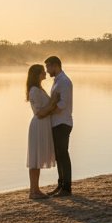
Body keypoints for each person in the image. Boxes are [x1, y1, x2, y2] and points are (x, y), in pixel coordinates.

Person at [26, 64, 60, 200]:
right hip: (38, 126)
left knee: (38, 158)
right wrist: (53, 102)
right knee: (35, 159)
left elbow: (46, 109)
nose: (45, 73)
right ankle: (33, 191)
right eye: (42, 72)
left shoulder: (39, 89)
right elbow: (39, 113)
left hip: (43, 125)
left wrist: (52, 104)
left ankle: (35, 189)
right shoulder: (34, 90)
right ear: (37, 75)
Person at [45, 55, 73, 197]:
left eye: (48, 67)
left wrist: (48, 112)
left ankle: (66, 188)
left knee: (63, 154)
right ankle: (60, 185)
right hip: (57, 123)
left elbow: (63, 104)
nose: (47, 70)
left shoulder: (64, 82)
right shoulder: (57, 81)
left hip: (63, 123)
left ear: (55, 66)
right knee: (58, 155)